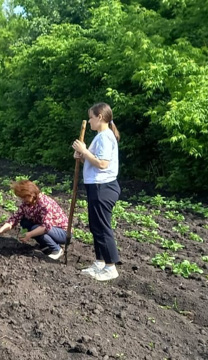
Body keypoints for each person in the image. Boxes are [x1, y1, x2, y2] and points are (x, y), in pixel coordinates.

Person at [72, 102, 121, 281]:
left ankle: (110, 267)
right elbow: (95, 162)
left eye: (91, 117)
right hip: (97, 186)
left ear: (100, 117)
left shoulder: (105, 137)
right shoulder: (100, 136)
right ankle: (100, 261)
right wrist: (82, 156)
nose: (90, 121)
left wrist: (84, 150)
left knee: (102, 226)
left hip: (104, 187)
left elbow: (103, 164)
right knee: (95, 226)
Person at [0, 180, 69, 260]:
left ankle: (57, 250)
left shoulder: (44, 204)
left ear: (32, 194)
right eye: (22, 197)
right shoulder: (26, 204)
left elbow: (46, 227)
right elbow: (14, 219)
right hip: (48, 229)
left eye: (25, 197)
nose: (23, 200)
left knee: (35, 228)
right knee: (25, 222)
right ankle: (46, 245)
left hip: (63, 233)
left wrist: (29, 234)